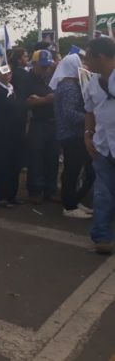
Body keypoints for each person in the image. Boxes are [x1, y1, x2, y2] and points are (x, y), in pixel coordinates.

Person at [51, 54, 94, 219]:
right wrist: (92, 118)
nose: (84, 65)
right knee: (72, 171)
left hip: (70, 134)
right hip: (71, 134)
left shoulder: (68, 84)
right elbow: (70, 113)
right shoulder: (69, 86)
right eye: (80, 62)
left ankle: (74, 201)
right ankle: (69, 206)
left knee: (74, 170)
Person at [83, 37, 115, 255]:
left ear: (100, 57)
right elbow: (89, 111)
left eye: (88, 57)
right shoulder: (92, 83)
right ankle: (102, 236)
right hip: (102, 148)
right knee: (102, 193)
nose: (85, 62)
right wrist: (87, 134)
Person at [0, 62, 26, 207]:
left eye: (9, 73)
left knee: (14, 166)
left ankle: (11, 195)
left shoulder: (13, 90)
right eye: (4, 72)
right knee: (0, 166)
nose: (7, 75)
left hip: (14, 135)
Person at [22, 50, 59, 204]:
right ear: (35, 64)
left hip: (53, 123)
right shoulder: (27, 79)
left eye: (48, 66)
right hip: (37, 123)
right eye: (43, 66)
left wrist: (41, 99)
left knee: (52, 158)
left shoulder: (50, 79)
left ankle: (50, 190)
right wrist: (46, 99)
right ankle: (35, 191)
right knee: (36, 158)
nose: (46, 69)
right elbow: (28, 102)